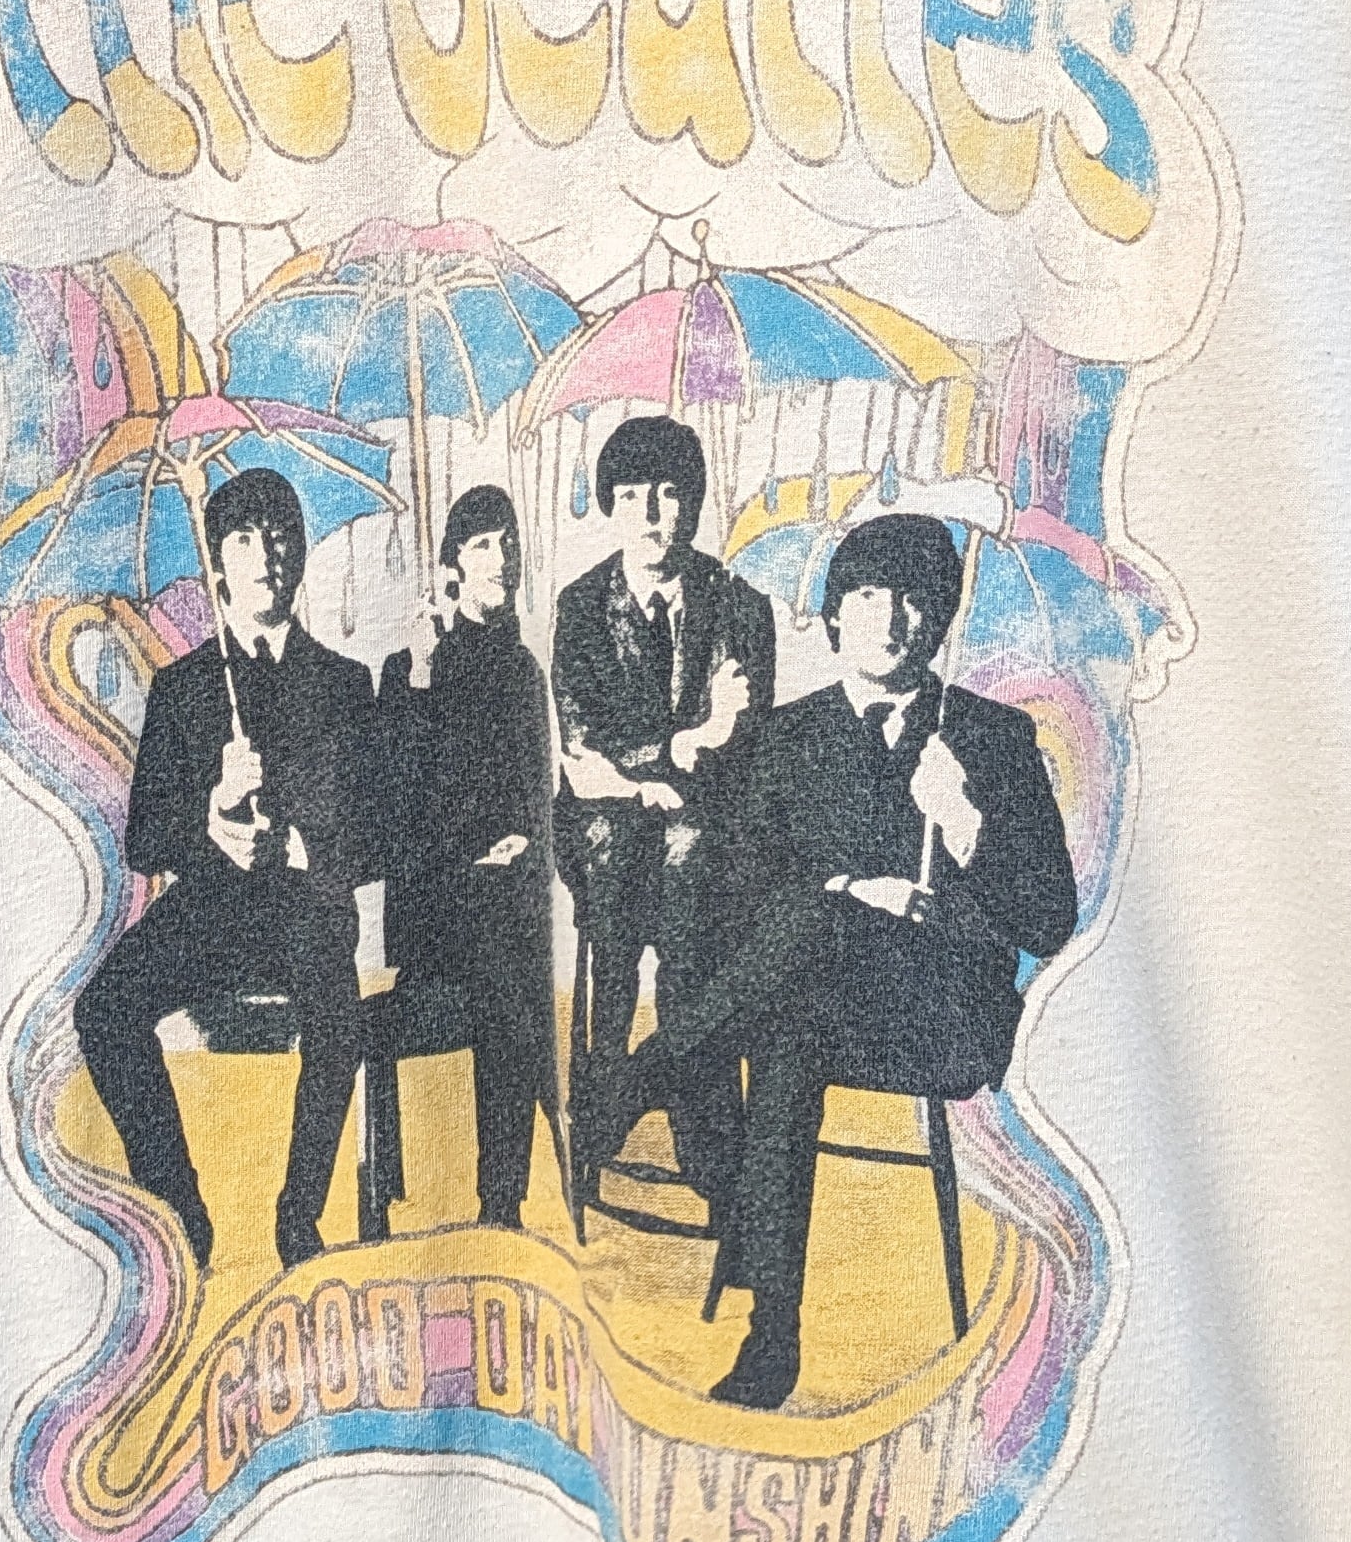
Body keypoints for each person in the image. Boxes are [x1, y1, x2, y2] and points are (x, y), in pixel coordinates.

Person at [656, 509, 1079, 1412]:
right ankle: (773, 1337)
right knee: (792, 1016)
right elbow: (739, 902)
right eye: (866, 594)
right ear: (834, 613)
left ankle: (654, 1066)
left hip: (939, 1017)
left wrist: (964, 822)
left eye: (912, 598)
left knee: (795, 981)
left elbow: (1049, 921)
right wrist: (853, 892)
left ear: (940, 619)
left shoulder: (991, 739)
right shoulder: (783, 737)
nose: (888, 617)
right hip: (821, 1009)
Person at [76, 466, 371, 1273]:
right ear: (217, 564)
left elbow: (371, 828)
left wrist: (295, 844)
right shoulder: (183, 689)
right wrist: (210, 814)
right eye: (244, 539)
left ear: (300, 552)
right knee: (105, 1010)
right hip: (208, 914)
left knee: (339, 1018)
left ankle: (298, 1216)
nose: (266, 555)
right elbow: (146, 840)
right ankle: (181, 1210)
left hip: (305, 910)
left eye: (280, 536)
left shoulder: (345, 685)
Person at [548, 411, 776, 1182]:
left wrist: (683, 759)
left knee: (691, 857)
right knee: (620, 852)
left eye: (668, 493)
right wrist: (684, 744)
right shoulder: (581, 607)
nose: (649, 513)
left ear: (695, 502)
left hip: (703, 835)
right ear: (610, 506)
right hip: (604, 830)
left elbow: (744, 756)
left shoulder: (740, 607)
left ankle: (675, 1096)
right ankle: (611, 1075)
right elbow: (585, 753)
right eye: (631, 495)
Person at [373, 484, 560, 1233]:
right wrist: (421, 678)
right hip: (432, 914)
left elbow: (537, 797)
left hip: (502, 912)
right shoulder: (410, 669)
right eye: (483, 544)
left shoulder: (523, 673)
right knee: (507, 981)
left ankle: (501, 1204)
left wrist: (523, 841)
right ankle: (501, 1202)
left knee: (507, 979)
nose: (501, 557)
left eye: (508, 543)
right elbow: (395, 806)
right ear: (451, 565)